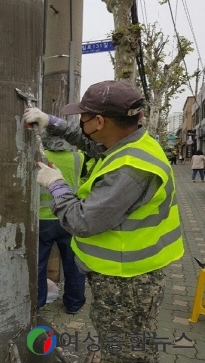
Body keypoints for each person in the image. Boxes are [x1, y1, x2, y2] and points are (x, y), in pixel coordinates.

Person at [24, 80, 184, 363]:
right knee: (127, 340)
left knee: (128, 351)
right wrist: (50, 122)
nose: (80, 121)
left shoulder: (129, 170)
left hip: (127, 281)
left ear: (99, 121)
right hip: (129, 275)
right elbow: (87, 142)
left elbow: (82, 222)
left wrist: (57, 185)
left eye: (82, 116)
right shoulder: (132, 143)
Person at [38, 133, 86, 314]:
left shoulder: (39, 157)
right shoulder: (78, 157)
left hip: (42, 220)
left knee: (39, 264)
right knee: (73, 264)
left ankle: (38, 301)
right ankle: (74, 304)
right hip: (69, 217)